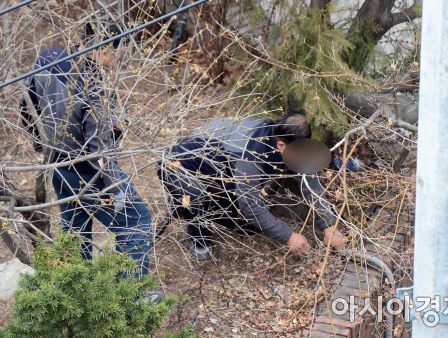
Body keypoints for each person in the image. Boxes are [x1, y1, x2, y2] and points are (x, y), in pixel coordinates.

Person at [20, 23, 154, 282]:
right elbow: (98, 151)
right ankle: (128, 300)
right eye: (120, 52)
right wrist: (115, 189)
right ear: (104, 49)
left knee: (75, 231)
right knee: (137, 221)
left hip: (57, 164)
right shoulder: (93, 84)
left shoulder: (49, 60)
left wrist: (42, 146)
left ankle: (79, 297)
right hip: (86, 170)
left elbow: (26, 105)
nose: (119, 60)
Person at [158, 113, 346, 260]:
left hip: (220, 166)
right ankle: (198, 237)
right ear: (281, 145)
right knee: (193, 197)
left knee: (248, 226)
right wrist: (288, 236)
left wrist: (329, 225)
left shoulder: (284, 136)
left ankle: (212, 208)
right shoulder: (251, 154)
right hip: (176, 166)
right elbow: (250, 206)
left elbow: (309, 182)